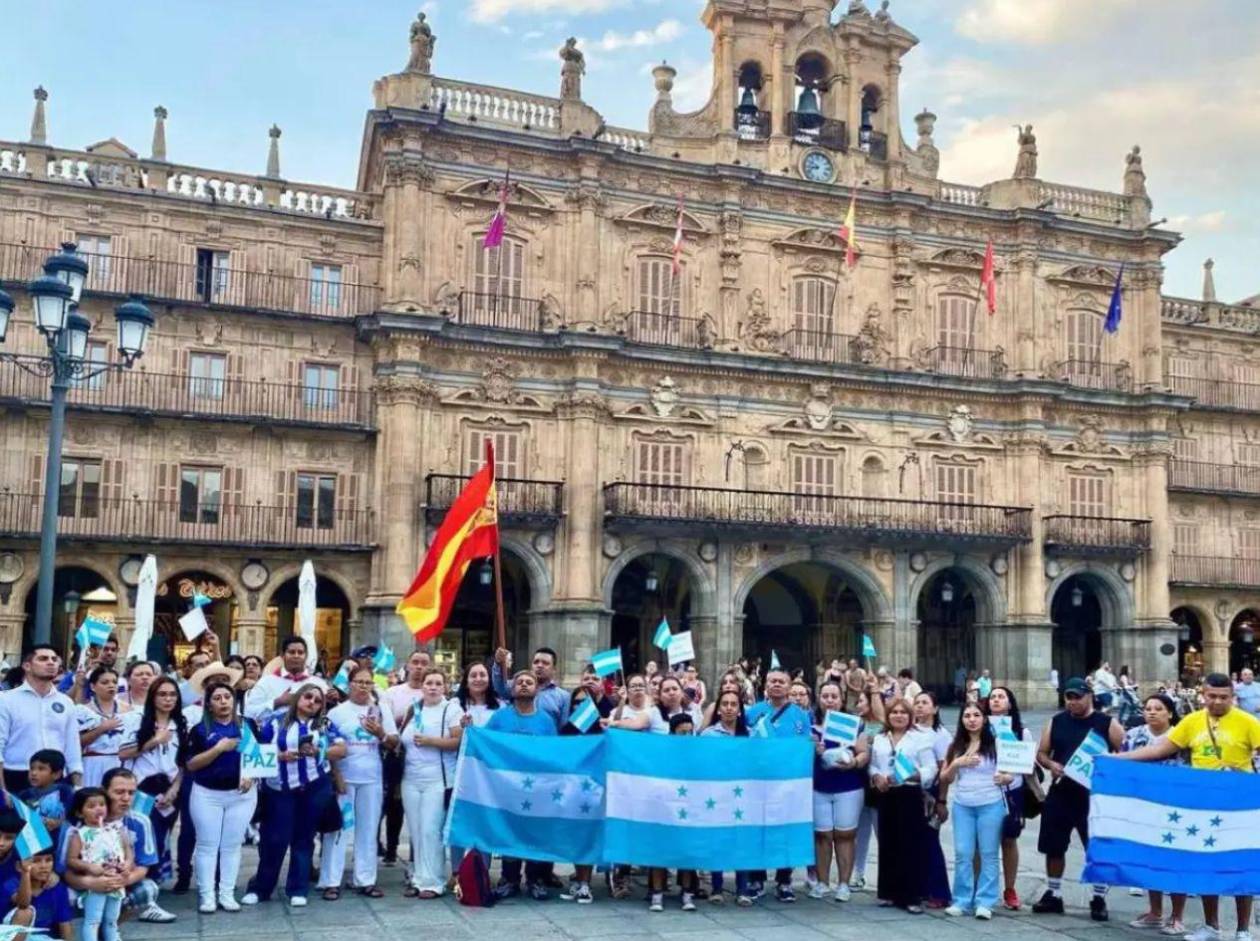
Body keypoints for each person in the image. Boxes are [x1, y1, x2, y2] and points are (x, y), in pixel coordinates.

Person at [1116, 673, 1260, 941]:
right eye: (1212, 696)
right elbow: (1159, 750)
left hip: (1237, 806)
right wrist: (1118, 758)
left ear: (1233, 697)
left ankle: (1242, 930)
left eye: (1223, 697)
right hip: (1202, 805)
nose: (1217, 702)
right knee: (1205, 866)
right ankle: (1211, 926)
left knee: (1240, 866)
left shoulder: (1249, 722)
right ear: (1203, 695)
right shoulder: (1192, 722)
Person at [242, 683, 346, 908]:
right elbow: (257, 750)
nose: (312, 702)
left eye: (318, 700)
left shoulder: (324, 724)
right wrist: (280, 756)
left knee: (304, 839)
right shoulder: (275, 721)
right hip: (279, 789)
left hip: (312, 788)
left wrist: (319, 751)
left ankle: (298, 888)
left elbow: (341, 749)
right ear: (298, 698)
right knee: (273, 840)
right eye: (308, 697)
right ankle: (261, 888)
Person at [1032, 676, 1124, 921]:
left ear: (1089, 696)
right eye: (1068, 697)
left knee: (1096, 848)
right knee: (1053, 846)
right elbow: (1041, 752)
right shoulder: (1056, 721)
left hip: (1094, 797)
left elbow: (1127, 754)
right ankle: (1054, 893)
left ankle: (1098, 897)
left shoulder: (1107, 723)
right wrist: (1051, 764)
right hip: (1061, 793)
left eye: (1077, 697)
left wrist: (1109, 766)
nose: (1072, 702)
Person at [61, 767, 176, 924]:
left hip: (121, 883)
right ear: (104, 791)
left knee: (148, 889)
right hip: (84, 882)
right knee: (63, 895)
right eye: (119, 792)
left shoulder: (140, 822)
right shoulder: (76, 824)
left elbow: (143, 867)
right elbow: (65, 871)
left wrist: (121, 881)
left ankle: (112, 925)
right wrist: (91, 883)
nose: (126, 798)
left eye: (131, 793)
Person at [321, 666, 396, 900]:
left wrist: (380, 733)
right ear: (349, 684)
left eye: (368, 682)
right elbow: (328, 749)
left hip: (371, 779)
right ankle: (331, 881)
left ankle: (365, 879)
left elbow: (393, 742)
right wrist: (336, 777)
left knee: (368, 829)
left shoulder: (380, 709)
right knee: (339, 829)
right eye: (359, 682)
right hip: (345, 779)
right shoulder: (336, 713)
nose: (364, 686)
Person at [184, 681, 259, 913]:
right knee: (207, 844)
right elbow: (191, 764)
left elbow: (259, 756)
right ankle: (207, 895)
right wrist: (218, 748)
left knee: (232, 845)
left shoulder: (247, 726)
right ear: (209, 704)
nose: (223, 702)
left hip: (241, 795)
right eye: (217, 698)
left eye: (227, 697)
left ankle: (226, 893)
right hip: (207, 794)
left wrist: (252, 776)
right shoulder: (199, 730)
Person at [1118, 693, 1189, 934]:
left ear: (1169, 712)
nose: (1152, 712)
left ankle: (1177, 916)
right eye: (1148, 708)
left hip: (1173, 807)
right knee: (1149, 859)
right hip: (1142, 805)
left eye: (1158, 708)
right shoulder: (1134, 735)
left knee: (1174, 860)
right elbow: (1121, 764)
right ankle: (1155, 911)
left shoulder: (1182, 736)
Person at [487, 671, 556, 901]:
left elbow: (555, 753)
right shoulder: (499, 718)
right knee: (509, 831)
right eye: (520, 682)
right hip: (508, 787)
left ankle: (535, 879)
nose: (525, 685)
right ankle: (509, 879)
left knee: (534, 832)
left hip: (536, 787)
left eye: (529, 682)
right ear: (512, 689)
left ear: (537, 689)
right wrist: (468, 729)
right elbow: (484, 743)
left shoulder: (546, 720)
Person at [745, 668, 812, 902]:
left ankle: (784, 880)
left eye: (781, 681)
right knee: (757, 829)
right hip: (758, 781)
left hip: (788, 782)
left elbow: (805, 747)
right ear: (765, 684)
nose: (776, 685)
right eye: (772, 680)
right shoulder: (753, 712)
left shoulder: (801, 716)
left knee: (786, 830)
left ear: (789, 686)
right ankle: (757, 878)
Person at [940, 703, 1012, 920]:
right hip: (963, 804)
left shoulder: (997, 743)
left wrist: (1006, 778)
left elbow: (1012, 773)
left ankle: (985, 901)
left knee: (989, 854)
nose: (971, 719)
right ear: (962, 720)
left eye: (976, 715)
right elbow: (945, 778)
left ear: (984, 719)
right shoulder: (956, 745)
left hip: (990, 803)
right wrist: (956, 764)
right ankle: (961, 900)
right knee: (963, 853)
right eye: (967, 715)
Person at [870, 698, 938, 913]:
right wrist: (876, 777)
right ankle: (889, 892)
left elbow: (931, 768)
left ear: (910, 717)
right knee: (888, 842)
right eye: (894, 712)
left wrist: (915, 775)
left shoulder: (918, 739)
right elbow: (872, 765)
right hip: (887, 793)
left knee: (910, 844)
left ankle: (911, 896)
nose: (898, 715)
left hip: (909, 793)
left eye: (903, 712)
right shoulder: (880, 738)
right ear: (888, 715)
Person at [400, 669, 463, 899]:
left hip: (438, 778)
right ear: (422, 686)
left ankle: (433, 881)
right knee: (416, 831)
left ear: (445, 687)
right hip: (411, 778)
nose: (433, 687)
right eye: (429, 683)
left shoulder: (451, 708)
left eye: (438, 683)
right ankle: (418, 878)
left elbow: (458, 740)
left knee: (430, 831)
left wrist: (430, 741)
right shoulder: (413, 708)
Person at [118, 676, 186, 881]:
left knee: (163, 834)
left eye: (172, 695)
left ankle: (155, 879)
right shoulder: (137, 720)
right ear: (153, 697)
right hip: (142, 788)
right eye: (162, 694)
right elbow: (123, 753)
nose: (168, 699)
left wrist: (174, 790)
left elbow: (183, 762)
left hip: (170, 788)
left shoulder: (181, 724)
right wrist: (155, 740)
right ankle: (140, 879)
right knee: (143, 835)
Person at [810, 680, 868, 902]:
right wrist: (812, 748)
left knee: (845, 835)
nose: (830, 700)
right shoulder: (810, 725)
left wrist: (853, 761)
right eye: (825, 696)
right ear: (819, 698)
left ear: (842, 699)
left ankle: (843, 883)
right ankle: (823, 882)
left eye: (834, 696)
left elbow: (864, 754)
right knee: (822, 835)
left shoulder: (854, 724)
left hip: (848, 786)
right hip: (819, 786)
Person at [0, 646, 84, 792]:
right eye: (43, 659)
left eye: (54, 659)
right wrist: (2, 789)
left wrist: (77, 785)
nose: (51, 663)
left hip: (57, 777)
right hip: (17, 775)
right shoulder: (6, 700)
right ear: (27, 666)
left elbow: (73, 746)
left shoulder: (66, 702)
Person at [379, 649, 430, 866]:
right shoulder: (393, 693)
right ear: (407, 666)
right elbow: (386, 723)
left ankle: (416, 854)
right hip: (396, 755)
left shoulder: (433, 692)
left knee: (419, 807)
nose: (419, 667)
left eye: (424, 663)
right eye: (415, 662)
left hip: (424, 756)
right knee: (394, 803)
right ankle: (391, 849)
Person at [983, 685, 1033, 909]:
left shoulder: (1022, 732)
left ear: (1010, 703)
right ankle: (983, 888)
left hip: (1012, 791)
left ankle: (1010, 889)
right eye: (992, 697)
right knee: (982, 843)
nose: (996, 700)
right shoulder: (980, 728)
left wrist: (1010, 776)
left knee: (1009, 840)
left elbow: (1027, 765)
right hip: (986, 790)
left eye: (1001, 697)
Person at [647, 713, 700, 912]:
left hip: (688, 808)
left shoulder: (698, 753)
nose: (686, 736)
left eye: (690, 732)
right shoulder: (662, 752)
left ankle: (687, 894)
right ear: (672, 732)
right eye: (682, 732)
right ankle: (657, 894)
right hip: (664, 808)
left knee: (685, 852)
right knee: (660, 852)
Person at [66, 786, 129, 941]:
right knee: (93, 921)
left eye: (102, 804)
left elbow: (125, 854)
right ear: (80, 813)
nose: (98, 809)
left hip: (115, 883)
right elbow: (71, 860)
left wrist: (124, 867)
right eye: (91, 806)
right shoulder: (79, 834)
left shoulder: (116, 830)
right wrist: (89, 867)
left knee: (111, 921)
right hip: (95, 885)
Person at [912, 691, 953, 908]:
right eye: (916, 703)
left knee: (930, 842)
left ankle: (939, 891)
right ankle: (919, 888)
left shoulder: (941, 735)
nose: (919, 707)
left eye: (924, 703)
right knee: (913, 842)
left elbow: (943, 770)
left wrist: (941, 800)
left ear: (935, 708)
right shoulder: (910, 730)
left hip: (931, 793)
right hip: (910, 791)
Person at [850, 686, 885, 892]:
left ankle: (886, 876)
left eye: (863, 701)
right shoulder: (854, 724)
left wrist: (874, 690)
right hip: (858, 782)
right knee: (859, 834)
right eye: (858, 702)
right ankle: (858, 873)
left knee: (881, 832)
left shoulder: (883, 726)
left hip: (876, 786)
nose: (859, 705)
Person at [243, 637, 326, 720]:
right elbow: (248, 713)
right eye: (292, 652)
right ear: (282, 655)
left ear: (306, 656)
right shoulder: (266, 682)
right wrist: (278, 702)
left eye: (300, 653)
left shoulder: (319, 683)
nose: (296, 656)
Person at [18, 750, 75, 865]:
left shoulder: (64, 791)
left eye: (41, 769)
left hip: (59, 839)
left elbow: (72, 814)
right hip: (35, 843)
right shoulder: (25, 795)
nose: (34, 773)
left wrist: (59, 822)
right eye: (32, 768)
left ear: (57, 774)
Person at [76, 667, 129, 788]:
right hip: (93, 764)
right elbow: (77, 742)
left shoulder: (128, 710)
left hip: (120, 763)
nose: (111, 685)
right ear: (93, 687)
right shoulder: (82, 710)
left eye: (114, 682)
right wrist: (101, 728)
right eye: (105, 682)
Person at [492, 646, 568, 730]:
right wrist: (498, 663)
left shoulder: (563, 697)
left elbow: (564, 728)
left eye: (545, 663)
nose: (539, 666)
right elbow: (500, 687)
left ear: (554, 669)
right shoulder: (517, 685)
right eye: (536, 662)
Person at [3, 849, 73, 941]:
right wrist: (26, 873)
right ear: (19, 866)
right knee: (25, 912)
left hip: (43, 938)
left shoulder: (57, 887)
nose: (43, 866)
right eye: (35, 861)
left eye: (48, 860)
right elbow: (23, 904)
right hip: (10, 936)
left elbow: (64, 923)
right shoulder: (12, 883)